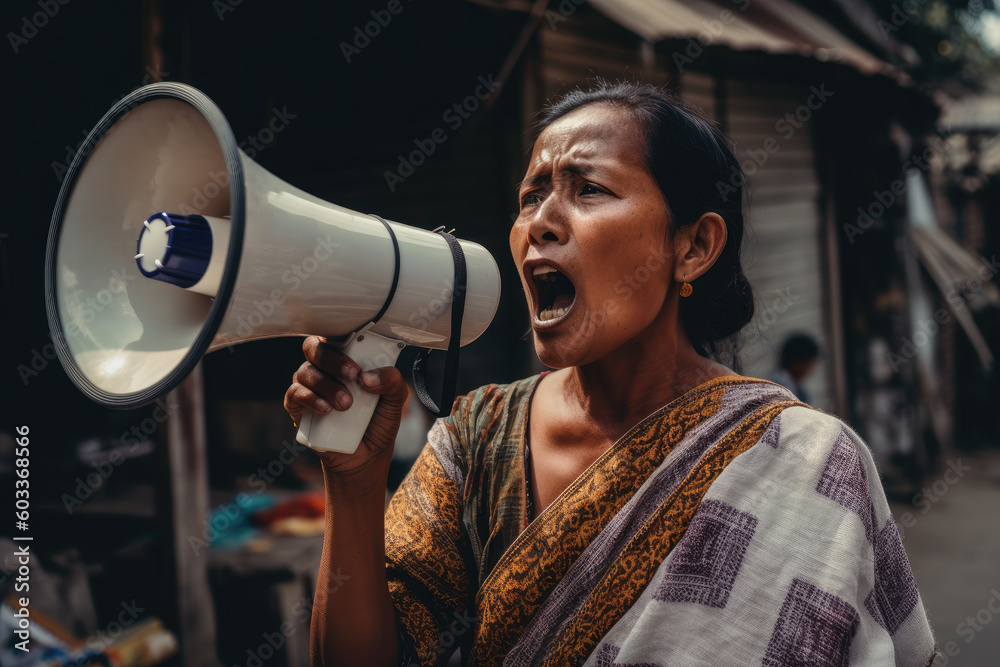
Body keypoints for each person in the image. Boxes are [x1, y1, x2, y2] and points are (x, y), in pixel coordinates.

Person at [284, 83, 938, 666]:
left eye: (588, 188)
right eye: (530, 195)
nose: (538, 222)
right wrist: (356, 482)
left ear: (693, 247)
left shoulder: (812, 461)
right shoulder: (473, 441)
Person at [767, 332, 821, 403]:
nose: (812, 371)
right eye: (811, 365)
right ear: (798, 364)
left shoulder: (799, 390)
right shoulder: (776, 388)